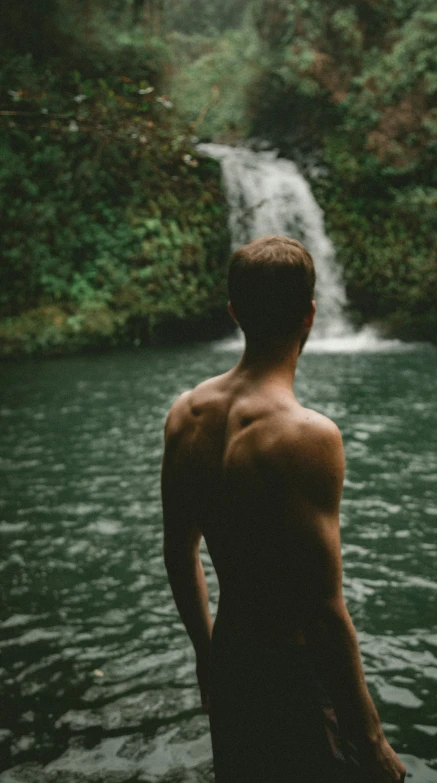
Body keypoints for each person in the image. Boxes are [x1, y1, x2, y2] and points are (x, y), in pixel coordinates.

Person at [161, 235, 407, 783]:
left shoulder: (184, 415)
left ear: (234, 313)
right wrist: (371, 739)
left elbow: (179, 552)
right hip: (295, 675)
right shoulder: (308, 436)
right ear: (310, 315)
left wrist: (207, 656)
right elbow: (323, 609)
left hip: (230, 659)